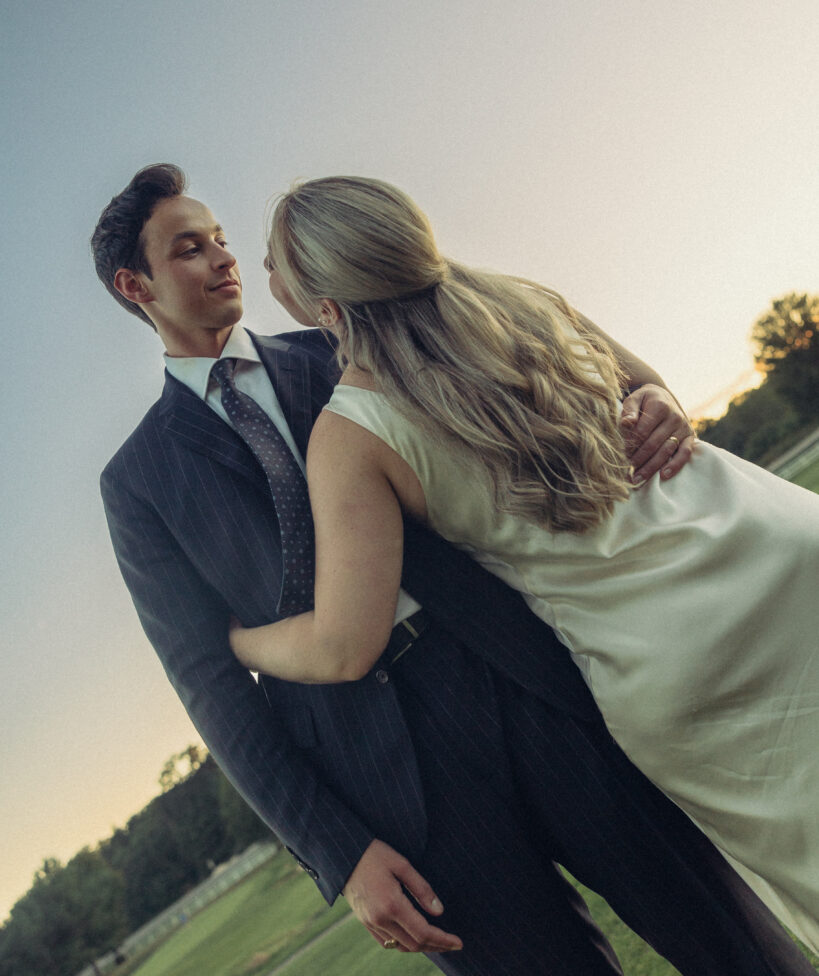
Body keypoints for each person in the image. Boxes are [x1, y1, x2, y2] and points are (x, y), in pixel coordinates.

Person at [93, 164, 816, 976]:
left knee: (736, 947)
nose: (224, 260)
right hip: (395, 790)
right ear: (135, 284)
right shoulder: (138, 482)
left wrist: (655, 398)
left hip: (540, 683)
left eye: (224, 241)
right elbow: (208, 691)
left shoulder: (350, 342)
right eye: (191, 250)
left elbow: (545, 395)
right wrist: (339, 852)